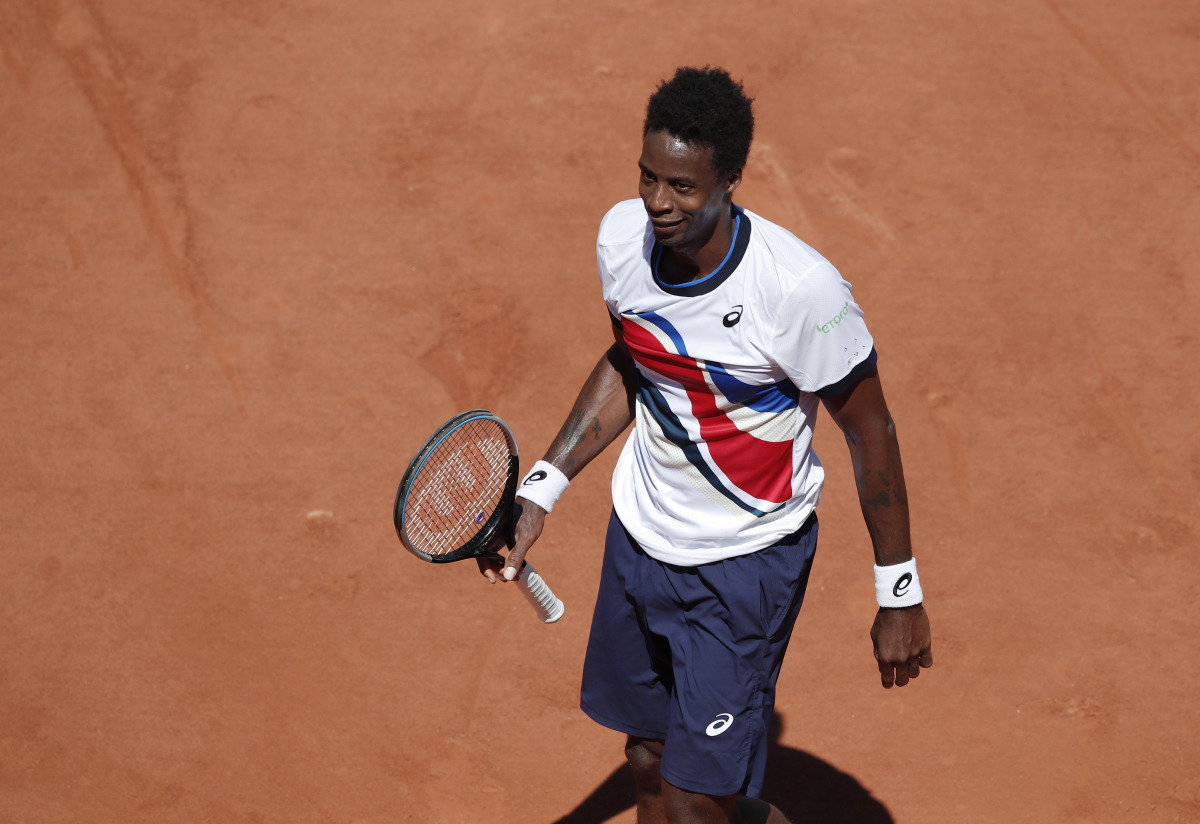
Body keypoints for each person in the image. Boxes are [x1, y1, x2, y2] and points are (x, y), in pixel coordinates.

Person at [481, 66, 933, 824]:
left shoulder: (798, 293)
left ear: (730, 180)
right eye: (648, 177)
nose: (658, 203)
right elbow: (635, 357)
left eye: (683, 187)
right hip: (640, 541)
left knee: (698, 801)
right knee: (648, 760)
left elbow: (871, 431)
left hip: (744, 566)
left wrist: (900, 591)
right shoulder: (622, 238)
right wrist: (542, 489)